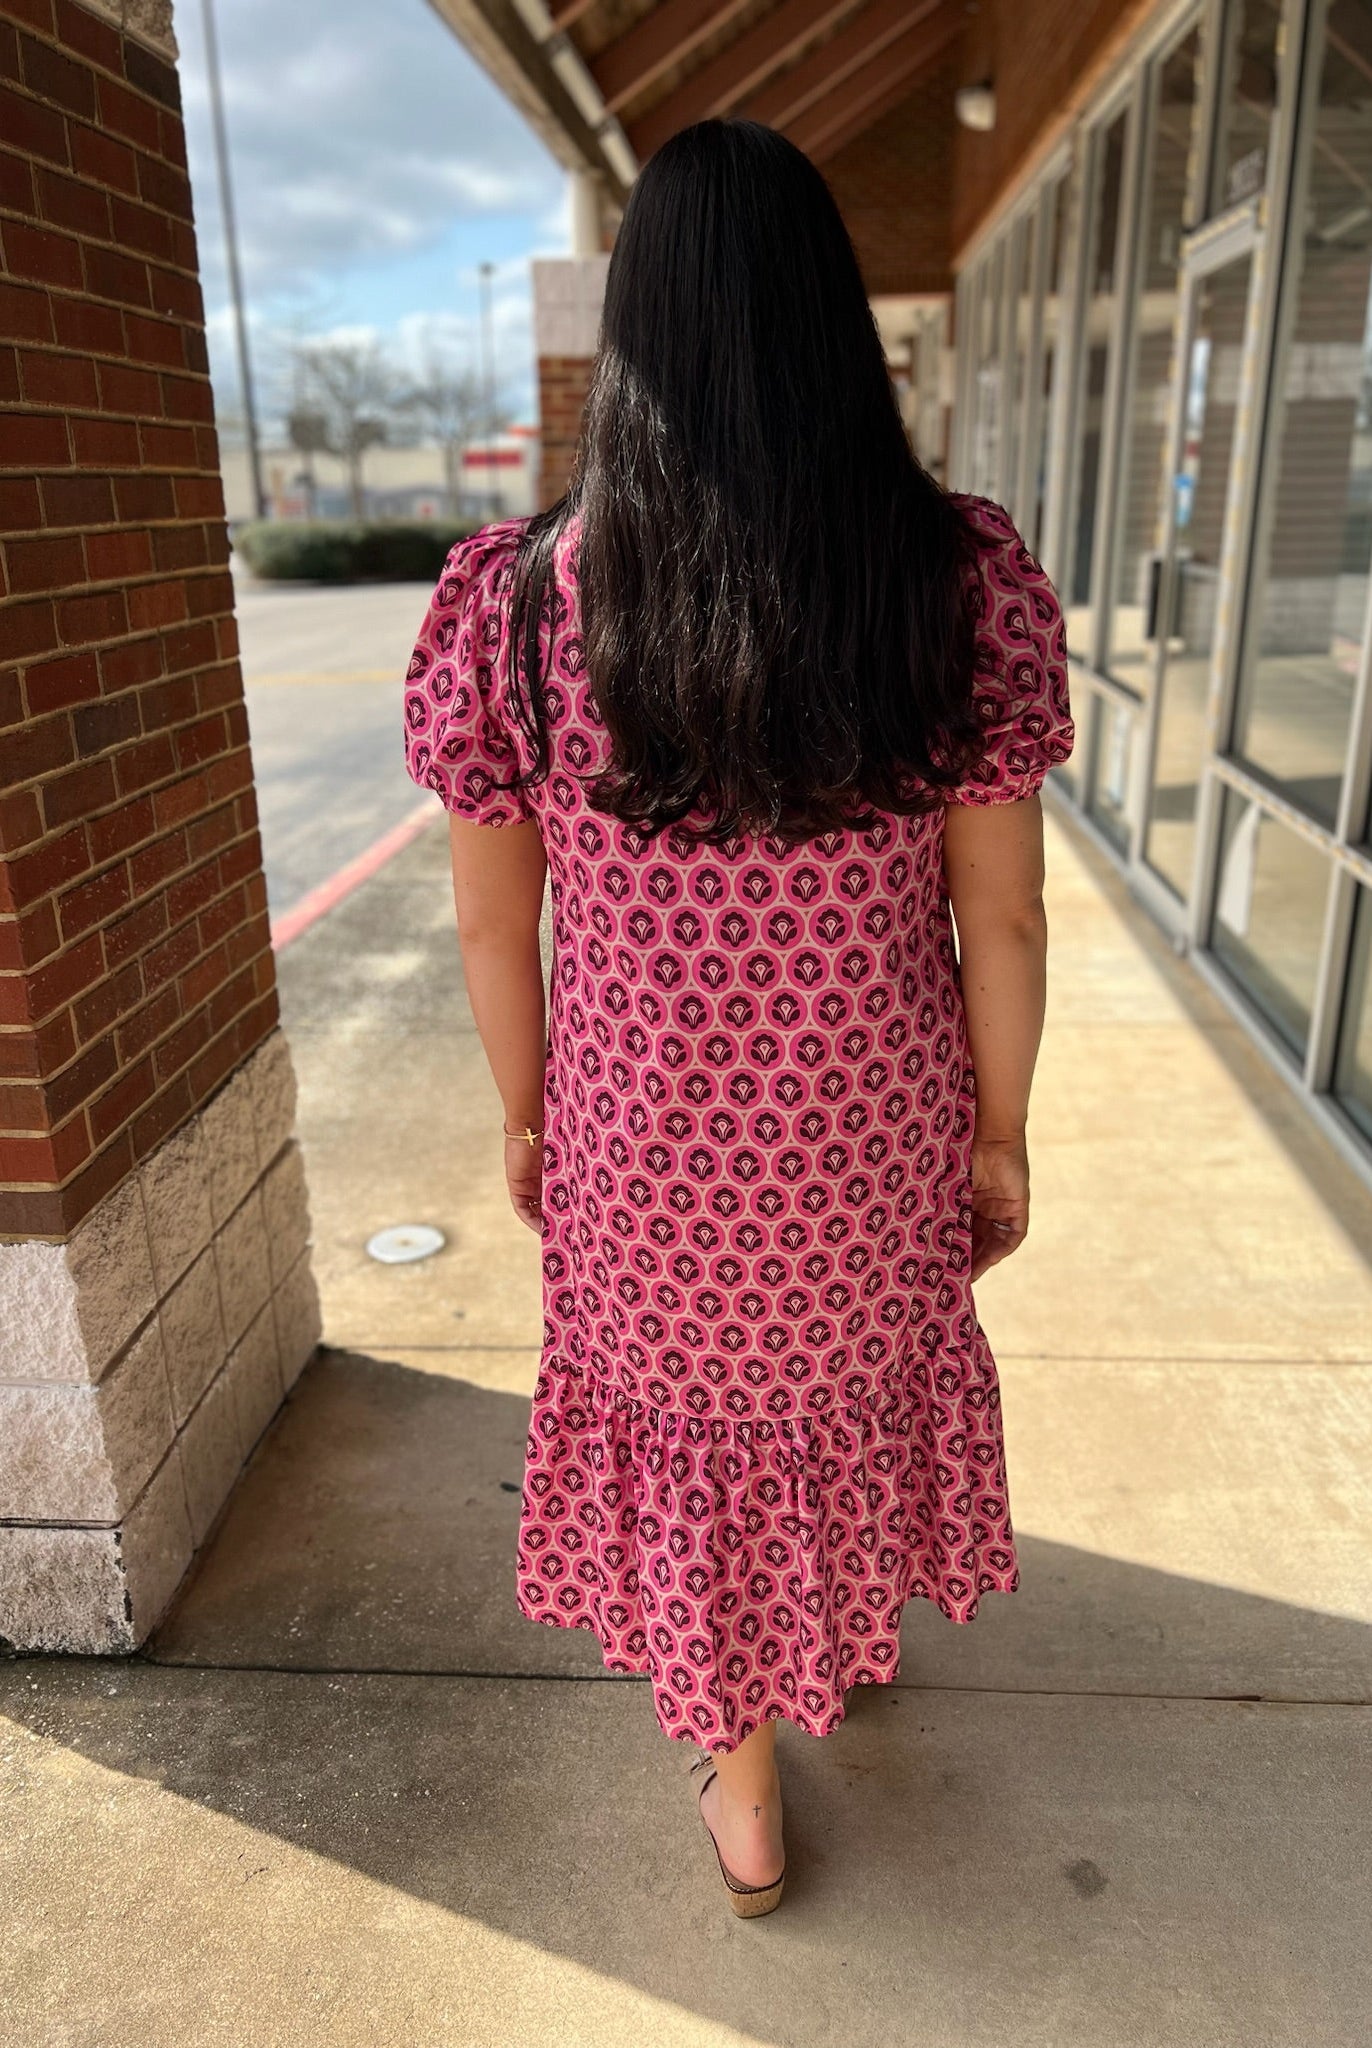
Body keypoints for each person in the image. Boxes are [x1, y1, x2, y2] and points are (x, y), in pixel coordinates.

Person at [402, 118, 1073, 1918]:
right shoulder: (953, 581)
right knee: (839, 1401)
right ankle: (838, 1633)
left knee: (698, 1443)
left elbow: (494, 924)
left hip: (645, 1155)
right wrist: (1002, 1129)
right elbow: (1003, 913)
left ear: (640, 332)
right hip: (869, 1137)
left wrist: (530, 1115)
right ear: (834, 323)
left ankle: (748, 1794)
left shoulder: (523, 603)